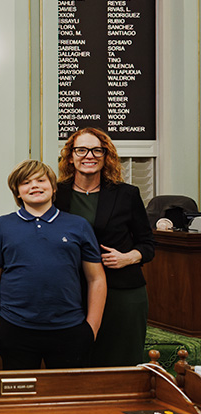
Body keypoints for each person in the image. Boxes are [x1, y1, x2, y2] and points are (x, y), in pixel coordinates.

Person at [0, 159, 107, 370]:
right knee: (21, 398)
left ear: (53, 187)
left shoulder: (78, 225)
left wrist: (91, 328)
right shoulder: (2, 226)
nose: (35, 186)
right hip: (15, 328)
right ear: (17, 192)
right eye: (26, 182)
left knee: (66, 398)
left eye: (41, 180)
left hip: (70, 329)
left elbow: (96, 278)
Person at [56, 128, 155, 366]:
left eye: (96, 150)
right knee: (75, 363)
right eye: (81, 150)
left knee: (120, 363)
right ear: (70, 157)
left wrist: (129, 257)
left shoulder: (126, 194)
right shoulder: (56, 194)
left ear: (105, 155)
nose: (88, 155)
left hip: (121, 291)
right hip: (71, 292)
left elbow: (148, 243)